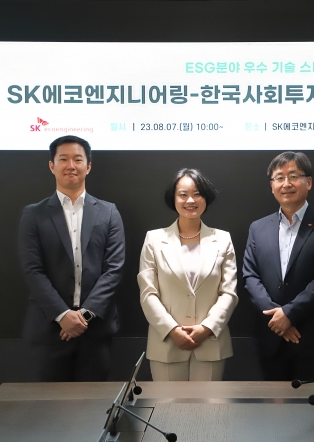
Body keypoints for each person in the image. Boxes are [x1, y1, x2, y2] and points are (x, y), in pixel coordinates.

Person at [18, 135, 125, 382]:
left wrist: (84, 316)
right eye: (63, 159)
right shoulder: (34, 214)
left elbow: (114, 269)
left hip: (95, 331)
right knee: (50, 404)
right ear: (51, 166)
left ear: (88, 166)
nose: (71, 165)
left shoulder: (109, 212)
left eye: (78, 159)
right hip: (49, 330)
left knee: (93, 404)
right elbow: (32, 270)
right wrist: (63, 315)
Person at [242, 152, 314, 381]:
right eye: (279, 177)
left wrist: (289, 313)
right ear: (272, 185)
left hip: (313, 338)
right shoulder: (258, 228)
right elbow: (250, 276)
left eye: (294, 176)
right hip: (271, 337)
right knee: (273, 403)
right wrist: (277, 318)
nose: (286, 183)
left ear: (309, 182)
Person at [138, 169, 238, 381]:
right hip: (166, 343)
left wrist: (207, 328)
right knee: (167, 403)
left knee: (209, 403)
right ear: (173, 199)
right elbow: (148, 293)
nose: (190, 200)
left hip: (210, 342)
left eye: (197, 194)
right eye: (183, 194)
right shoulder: (154, 239)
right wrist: (172, 330)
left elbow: (229, 293)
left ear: (206, 198)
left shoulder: (223, 239)